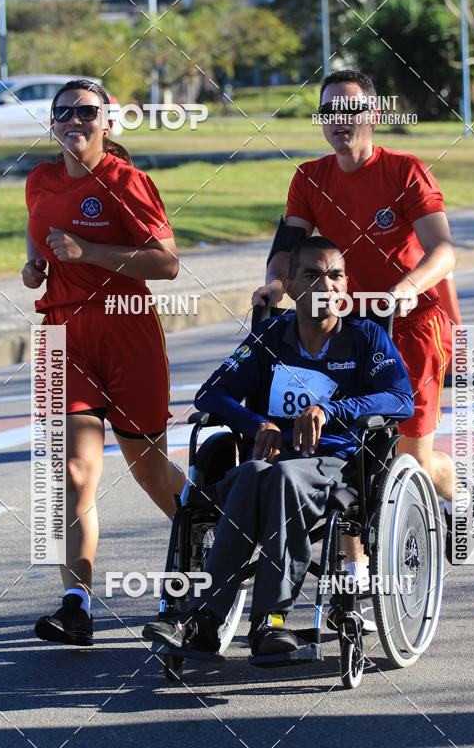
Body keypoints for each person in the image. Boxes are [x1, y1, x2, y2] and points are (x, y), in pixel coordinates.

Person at [142, 237, 414, 658]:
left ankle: (270, 619)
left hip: (334, 469)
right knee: (252, 473)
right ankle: (204, 620)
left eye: (336, 276)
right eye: (312, 275)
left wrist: (330, 409)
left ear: (346, 286)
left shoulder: (365, 337)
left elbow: (400, 399)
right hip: (267, 464)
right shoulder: (270, 335)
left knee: (281, 477)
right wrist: (256, 423)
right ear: (289, 285)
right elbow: (211, 394)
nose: (326, 286)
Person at [252, 69, 463, 565]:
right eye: (329, 111)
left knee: (407, 457)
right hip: (347, 325)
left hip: (411, 321)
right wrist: (276, 285)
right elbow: (288, 246)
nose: (338, 120)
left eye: (349, 109)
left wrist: (406, 287)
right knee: (347, 449)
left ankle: (453, 491)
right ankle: (354, 569)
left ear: (374, 115)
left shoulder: (405, 171)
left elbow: (444, 251)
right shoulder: (309, 176)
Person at [24, 79, 185, 646]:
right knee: (70, 475)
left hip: (126, 330)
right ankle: (76, 605)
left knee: (150, 472)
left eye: (87, 112)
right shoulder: (39, 180)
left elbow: (166, 265)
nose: (75, 120)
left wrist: (88, 252)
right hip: (61, 336)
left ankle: (218, 538)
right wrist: (34, 268)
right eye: (64, 112)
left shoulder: (126, 182)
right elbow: (37, 236)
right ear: (53, 123)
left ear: (107, 122)